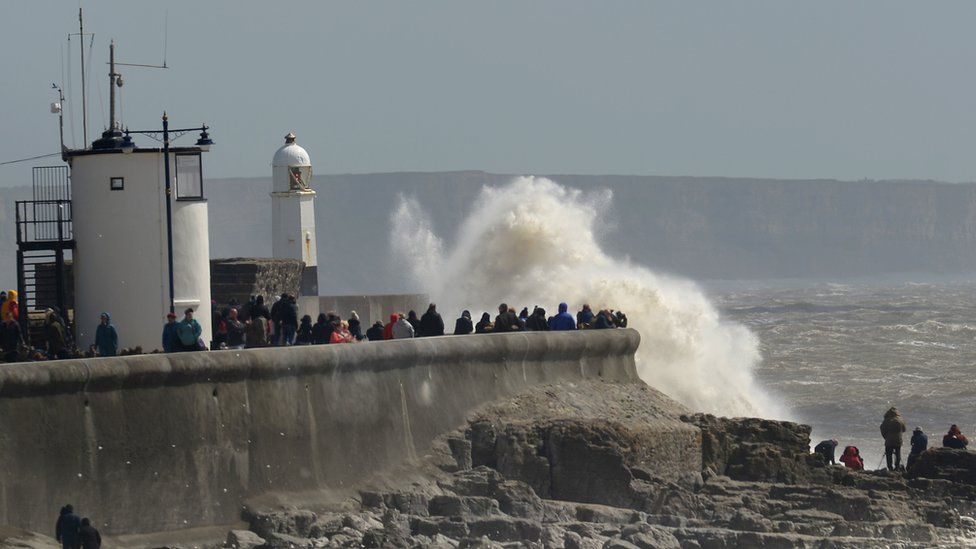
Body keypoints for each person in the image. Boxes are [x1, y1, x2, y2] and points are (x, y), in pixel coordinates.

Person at [880, 407, 907, 471]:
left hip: (889, 440)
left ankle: (890, 467)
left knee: (889, 454)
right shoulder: (900, 420)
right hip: (898, 440)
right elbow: (904, 429)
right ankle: (897, 467)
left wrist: (886, 437)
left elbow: (882, 429)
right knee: (898, 453)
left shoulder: (886, 420)